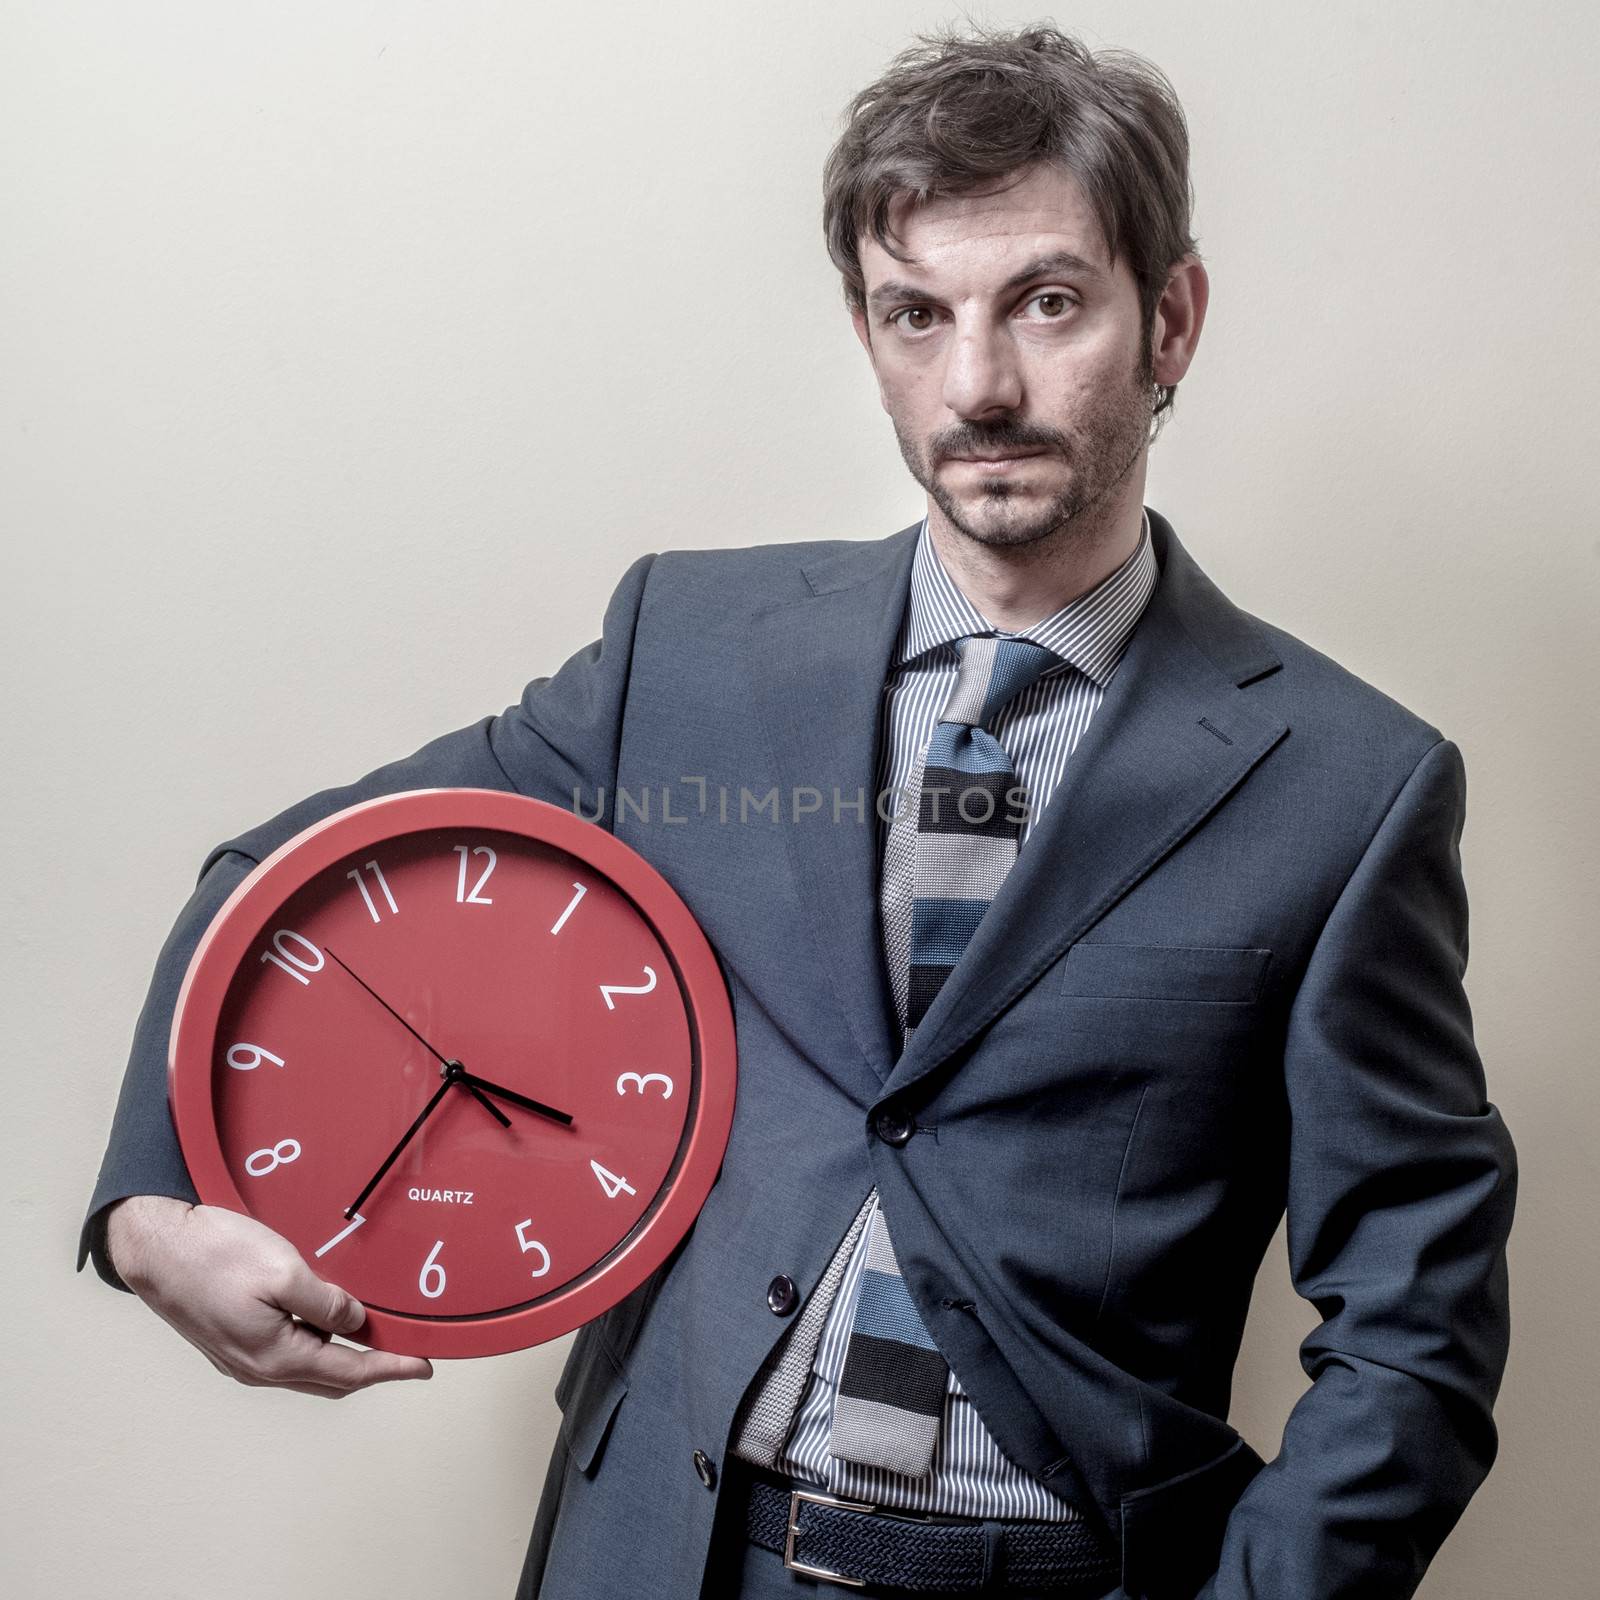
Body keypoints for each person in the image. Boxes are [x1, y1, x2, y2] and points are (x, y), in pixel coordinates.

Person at [77, 22, 1516, 1600]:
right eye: (919, 314)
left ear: (1168, 319)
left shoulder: (1347, 786)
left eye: (1047, 303)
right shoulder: (684, 657)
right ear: (866, 328)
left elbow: (1416, 1328)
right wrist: (151, 1203)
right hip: (667, 1557)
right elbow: (294, 881)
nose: (979, 383)